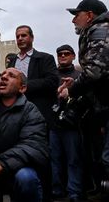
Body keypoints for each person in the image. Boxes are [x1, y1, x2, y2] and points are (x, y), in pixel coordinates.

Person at [0, 68, 49, 202]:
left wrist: (0, 165)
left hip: (15, 169)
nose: (4, 77)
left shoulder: (31, 112)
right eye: (1, 75)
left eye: (11, 75)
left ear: (22, 88)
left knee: (26, 178)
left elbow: (33, 147)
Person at [59, 0, 109, 182]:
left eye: (76, 15)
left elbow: (94, 70)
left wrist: (71, 90)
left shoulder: (100, 30)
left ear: (89, 16)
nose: (73, 20)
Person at [51, 44, 86, 201]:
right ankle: (57, 191)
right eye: (60, 54)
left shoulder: (80, 75)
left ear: (73, 56)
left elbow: (88, 98)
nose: (63, 56)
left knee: (74, 160)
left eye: (66, 53)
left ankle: (74, 192)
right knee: (55, 160)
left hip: (73, 125)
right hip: (54, 125)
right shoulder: (51, 76)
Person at [6, 25, 59, 129]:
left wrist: (23, 85)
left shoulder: (45, 58)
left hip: (39, 113)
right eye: (17, 36)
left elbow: (52, 82)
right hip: (15, 113)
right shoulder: (12, 61)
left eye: (23, 35)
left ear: (32, 37)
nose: (20, 38)